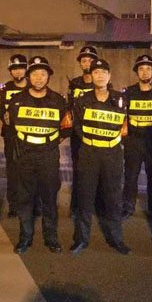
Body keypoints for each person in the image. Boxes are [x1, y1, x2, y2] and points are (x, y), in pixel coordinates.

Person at [7, 56, 71, 254]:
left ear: (48, 76)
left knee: (49, 198)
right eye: (35, 74)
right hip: (25, 154)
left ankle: (51, 237)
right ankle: (25, 237)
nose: (39, 78)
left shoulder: (58, 100)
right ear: (29, 76)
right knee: (24, 198)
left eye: (43, 74)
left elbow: (66, 128)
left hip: (48, 155)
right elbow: (11, 127)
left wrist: (49, 142)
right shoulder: (17, 100)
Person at [71, 59, 131, 255]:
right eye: (96, 72)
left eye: (104, 72)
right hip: (89, 153)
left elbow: (124, 124)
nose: (100, 76)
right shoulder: (82, 100)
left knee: (113, 198)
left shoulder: (120, 99)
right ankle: (81, 239)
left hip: (112, 154)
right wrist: (90, 140)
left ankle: (117, 240)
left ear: (109, 76)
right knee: (85, 198)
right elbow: (77, 126)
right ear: (91, 76)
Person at [122, 54, 152, 220]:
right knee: (130, 176)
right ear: (136, 72)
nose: (145, 72)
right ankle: (128, 207)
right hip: (133, 141)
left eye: (148, 68)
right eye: (141, 69)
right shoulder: (128, 93)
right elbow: (122, 117)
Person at [67, 46, 99, 215]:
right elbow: (69, 107)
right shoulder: (74, 83)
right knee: (78, 170)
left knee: (97, 170)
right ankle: (76, 205)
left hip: (96, 133)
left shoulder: (101, 83)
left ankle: (96, 204)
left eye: (90, 60)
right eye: (84, 60)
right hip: (77, 134)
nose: (87, 63)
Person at [0, 54, 29, 217]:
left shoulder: (33, 86)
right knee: (12, 170)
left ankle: (31, 204)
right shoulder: (6, 88)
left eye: (21, 68)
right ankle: (14, 204)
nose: (17, 72)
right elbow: (0, 108)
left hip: (29, 136)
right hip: (10, 136)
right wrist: (4, 117)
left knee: (30, 170)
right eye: (14, 69)